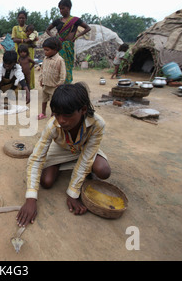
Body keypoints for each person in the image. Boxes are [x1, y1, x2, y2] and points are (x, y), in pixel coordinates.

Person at [16, 82, 111, 226]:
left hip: (84, 150)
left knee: (103, 171)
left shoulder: (98, 124)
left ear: (83, 109)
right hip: (61, 149)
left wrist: (73, 193)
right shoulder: (53, 125)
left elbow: (87, 158)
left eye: (67, 115)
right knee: (46, 182)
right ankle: (64, 166)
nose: (61, 120)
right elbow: (36, 159)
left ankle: (82, 173)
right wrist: (30, 199)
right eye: (56, 114)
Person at [46, 0, 91, 84]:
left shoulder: (75, 20)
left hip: (69, 46)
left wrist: (77, 36)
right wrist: (53, 38)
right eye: (60, 9)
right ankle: (58, 84)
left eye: (63, 8)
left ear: (69, 8)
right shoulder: (57, 21)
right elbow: (47, 30)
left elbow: (88, 28)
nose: (61, 10)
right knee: (58, 65)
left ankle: (67, 84)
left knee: (68, 66)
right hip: (59, 46)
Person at [38, 37, 66, 120]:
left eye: (47, 50)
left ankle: (53, 115)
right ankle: (43, 113)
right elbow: (42, 69)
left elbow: (63, 73)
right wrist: (41, 79)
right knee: (44, 100)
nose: (45, 52)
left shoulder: (59, 60)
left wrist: (60, 83)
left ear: (55, 50)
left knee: (53, 102)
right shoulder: (45, 59)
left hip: (54, 86)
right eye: (44, 50)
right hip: (45, 84)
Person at [11, 10, 37, 89]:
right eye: (20, 18)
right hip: (19, 51)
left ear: (26, 19)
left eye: (23, 18)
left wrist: (25, 42)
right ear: (17, 19)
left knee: (29, 69)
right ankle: (20, 86)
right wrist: (24, 41)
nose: (21, 19)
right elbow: (14, 39)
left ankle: (29, 86)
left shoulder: (29, 28)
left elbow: (34, 37)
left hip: (29, 51)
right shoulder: (15, 28)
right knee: (19, 68)